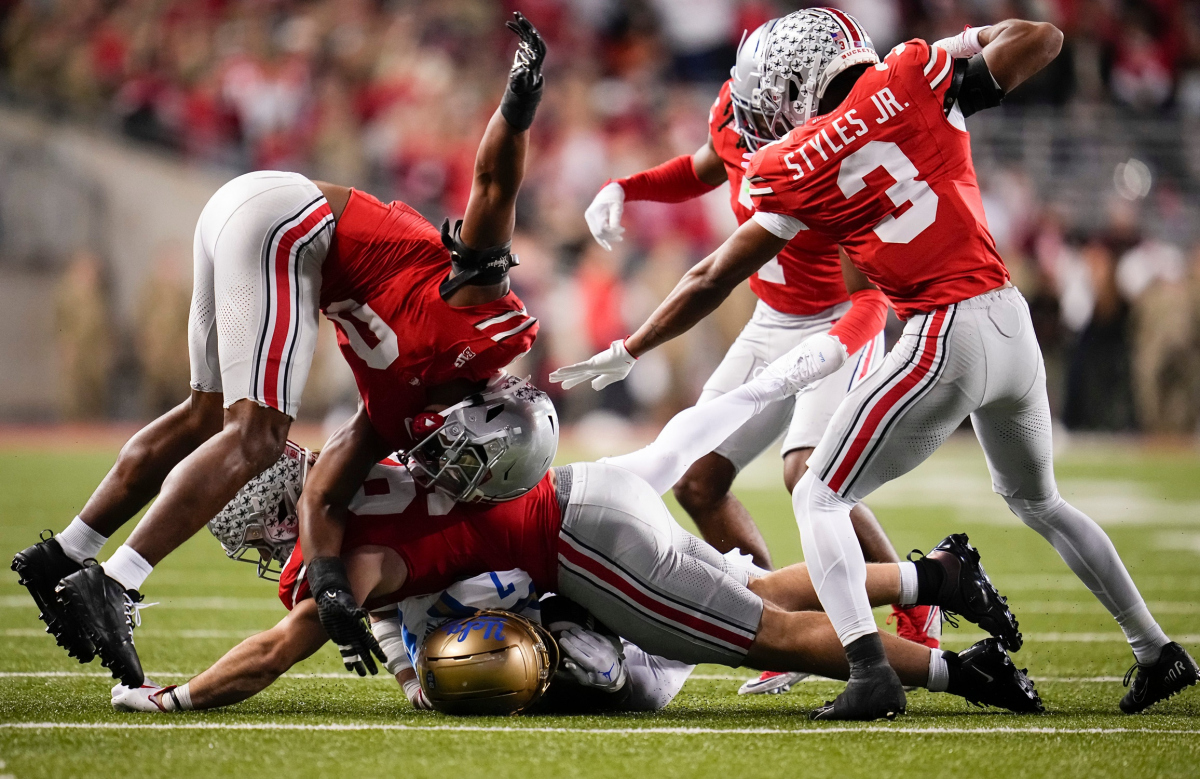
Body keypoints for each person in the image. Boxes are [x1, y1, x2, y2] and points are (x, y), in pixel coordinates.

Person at [552, 8, 1198, 718]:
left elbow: (713, 275)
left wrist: (633, 343)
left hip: (942, 329)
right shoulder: (914, 70)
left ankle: (870, 668)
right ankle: (1155, 648)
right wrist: (960, 46)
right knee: (1039, 500)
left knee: (817, 491)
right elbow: (1043, 39)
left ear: (795, 87)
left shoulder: (791, 163)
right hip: (1009, 317)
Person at [12, 12, 549, 691]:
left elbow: (326, 488)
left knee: (204, 416)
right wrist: (519, 103)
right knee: (258, 437)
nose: (450, 470)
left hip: (251, 218)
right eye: (474, 464)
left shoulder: (399, 415)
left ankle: (66, 550)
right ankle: (118, 580)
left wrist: (329, 583)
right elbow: (493, 184)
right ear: (489, 413)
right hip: (292, 226)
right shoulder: (482, 316)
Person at [107, 361, 1040, 720]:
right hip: (584, 504)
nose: (266, 548)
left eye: (258, 530)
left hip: (584, 540)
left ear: (274, 511)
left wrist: (176, 698)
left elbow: (275, 651)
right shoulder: (345, 477)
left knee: (752, 636)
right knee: (743, 599)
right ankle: (931, 571)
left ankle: (961, 671)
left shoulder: (344, 554)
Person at [576, 21, 939, 697]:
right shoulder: (743, 111)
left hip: (841, 316)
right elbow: (706, 164)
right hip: (774, 315)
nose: (753, 130)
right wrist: (629, 186)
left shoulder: (835, 144)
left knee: (811, 474)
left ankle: (922, 600)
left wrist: (633, 347)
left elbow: (729, 279)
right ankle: (783, 623)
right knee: (697, 479)